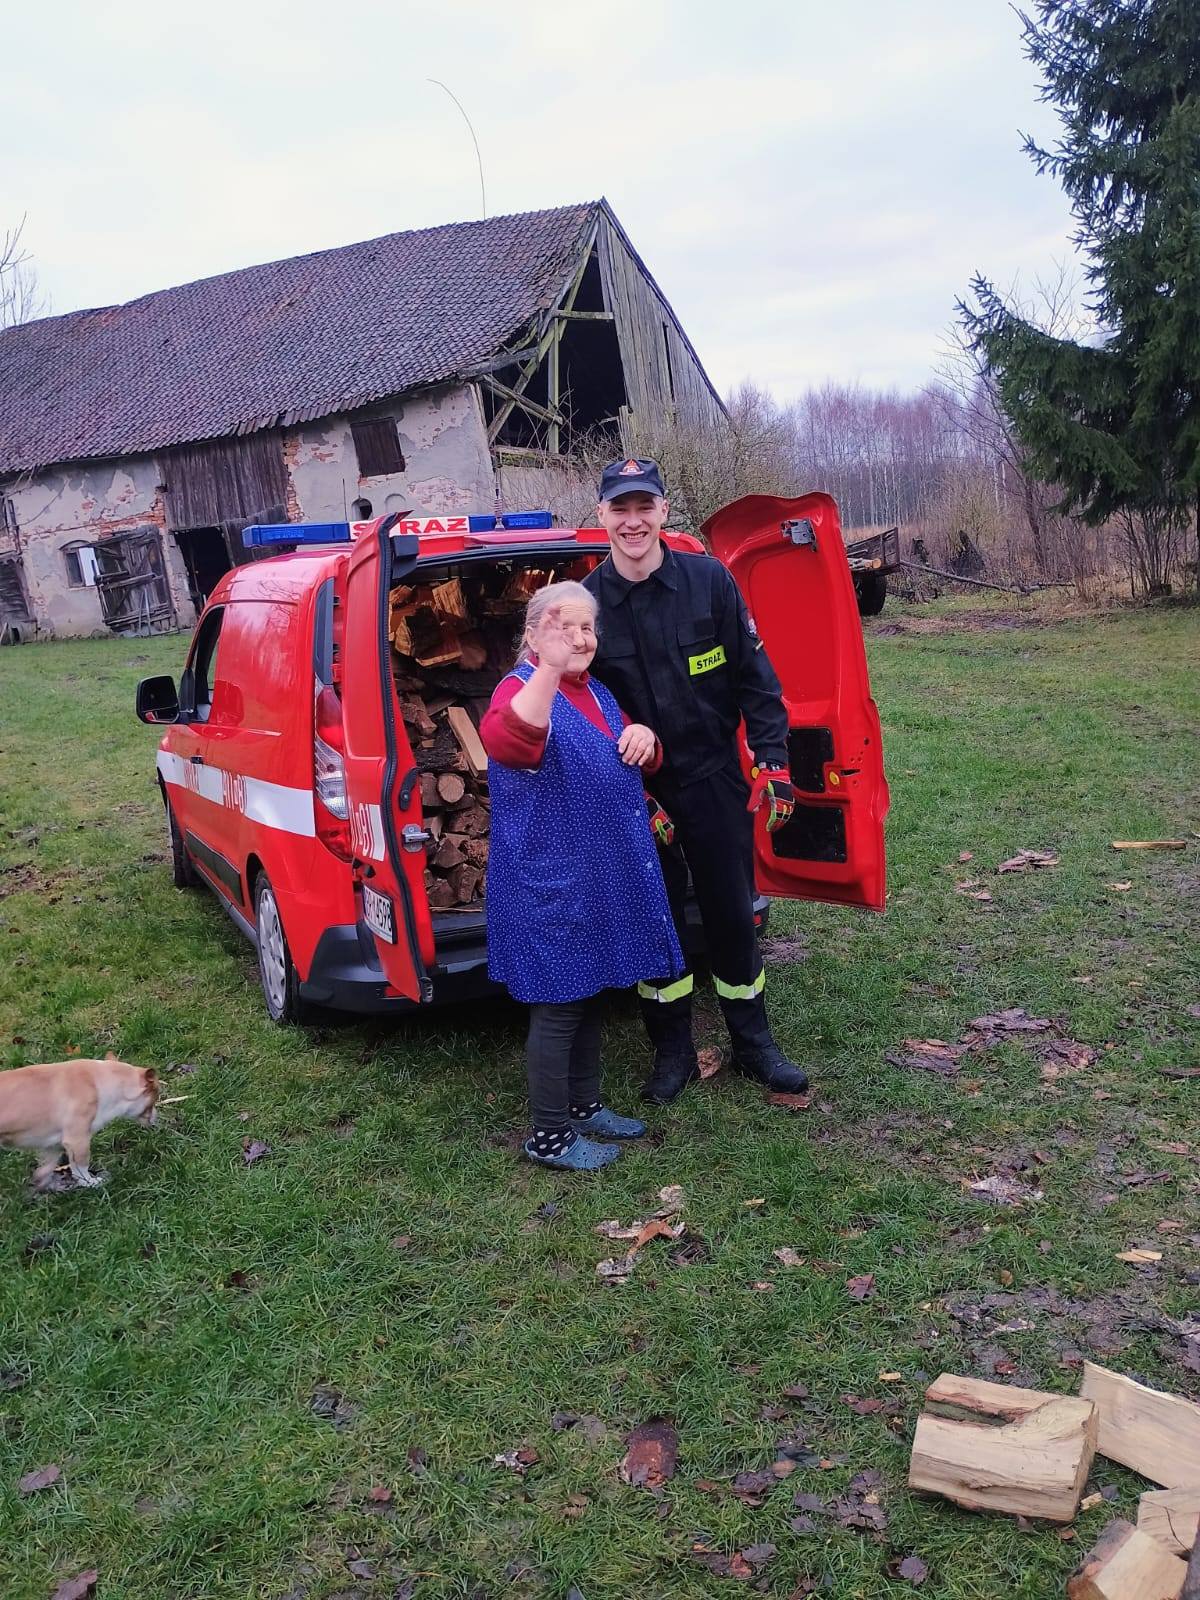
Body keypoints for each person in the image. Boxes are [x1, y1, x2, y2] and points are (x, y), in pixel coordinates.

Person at [582, 457, 809, 1105]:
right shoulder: (587, 607)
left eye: (643, 507)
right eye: (619, 509)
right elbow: (582, 711)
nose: (633, 521)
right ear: (602, 517)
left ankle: (754, 1043)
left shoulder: (711, 584)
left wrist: (773, 761)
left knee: (732, 917)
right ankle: (673, 1050)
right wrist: (629, 793)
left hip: (714, 783)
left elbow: (758, 683)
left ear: (662, 512)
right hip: (638, 796)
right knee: (659, 925)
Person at [481, 579, 685, 1170]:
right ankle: (548, 1135)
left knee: (589, 992)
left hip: (596, 873)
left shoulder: (594, 690)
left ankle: (585, 1105)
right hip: (551, 880)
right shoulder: (519, 689)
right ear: (532, 635)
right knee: (558, 1004)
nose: (578, 639)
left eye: (586, 627)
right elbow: (513, 742)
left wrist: (646, 736)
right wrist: (548, 664)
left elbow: (624, 752)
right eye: (561, 626)